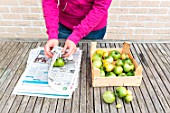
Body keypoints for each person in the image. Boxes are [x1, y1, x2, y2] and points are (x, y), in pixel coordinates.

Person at [42, 0, 112, 58]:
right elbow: (49, 1)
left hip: (93, 29)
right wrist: (52, 34)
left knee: (89, 62)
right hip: (65, 25)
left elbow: (100, 8)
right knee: (61, 57)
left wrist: (76, 35)